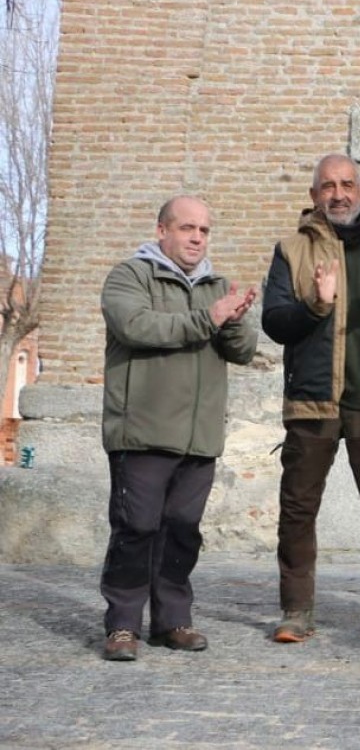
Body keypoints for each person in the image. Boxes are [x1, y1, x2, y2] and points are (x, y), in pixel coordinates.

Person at [262, 153, 360, 648]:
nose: (338, 194)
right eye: (328, 186)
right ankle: (296, 610)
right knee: (298, 510)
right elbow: (274, 322)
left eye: (347, 184)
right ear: (314, 195)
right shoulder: (291, 250)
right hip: (313, 400)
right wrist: (315, 304)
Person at [99, 195, 258, 661]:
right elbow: (137, 327)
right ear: (162, 230)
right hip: (142, 431)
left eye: (204, 230)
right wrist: (210, 317)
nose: (197, 238)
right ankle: (122, 625)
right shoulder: (130, 276)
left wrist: (233, 320)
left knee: (183, 531)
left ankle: (172, 621)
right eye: (187, 228)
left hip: (199, 435)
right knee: (136, 528)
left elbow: (243, 351)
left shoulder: (217, 285)